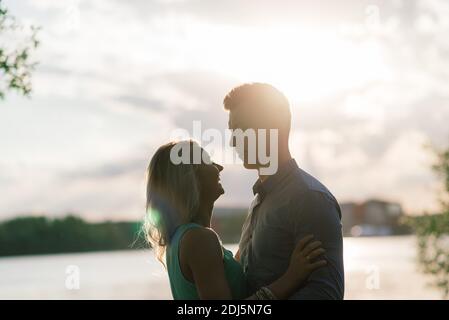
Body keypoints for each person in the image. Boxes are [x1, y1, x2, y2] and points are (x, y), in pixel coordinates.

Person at [144, 140, 327, 299]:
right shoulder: (199, 239)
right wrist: (292, 277)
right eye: (208, 161)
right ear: (190, 177)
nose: (220, 167)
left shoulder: (179, 241)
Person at [224, 83, 344, 299]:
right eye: (232, 130)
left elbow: (326, 294)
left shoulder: (309, 199)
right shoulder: (259, 202)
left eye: (241, 129)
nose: (233, 141)